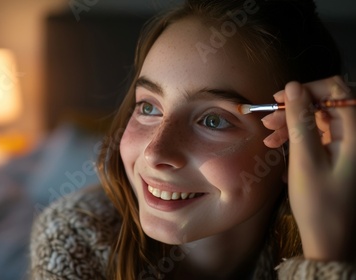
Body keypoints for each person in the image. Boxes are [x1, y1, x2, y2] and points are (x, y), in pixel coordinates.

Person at [30, 0, 356, 279]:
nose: (156, 153)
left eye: (213, 120)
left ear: (297, 144)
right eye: (148, 107)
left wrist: (324, 254)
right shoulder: (74, 238)